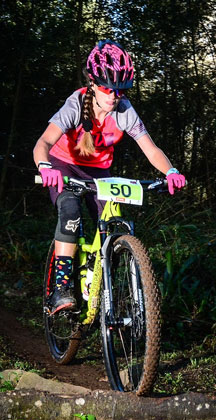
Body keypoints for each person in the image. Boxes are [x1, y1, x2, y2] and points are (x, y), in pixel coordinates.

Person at [33, 39, 185, 314]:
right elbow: (42, 144)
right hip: (63, 164)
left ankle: (108, 290)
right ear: (92, 82)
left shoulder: (125, 111)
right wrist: (46, 168)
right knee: (70, 211)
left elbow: (151, 150)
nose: (114, 95)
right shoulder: (76, 105)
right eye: (107, 88)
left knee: (110, 224)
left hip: (98, 171)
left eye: (121, 89)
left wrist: (170, 171)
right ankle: (61, 288)